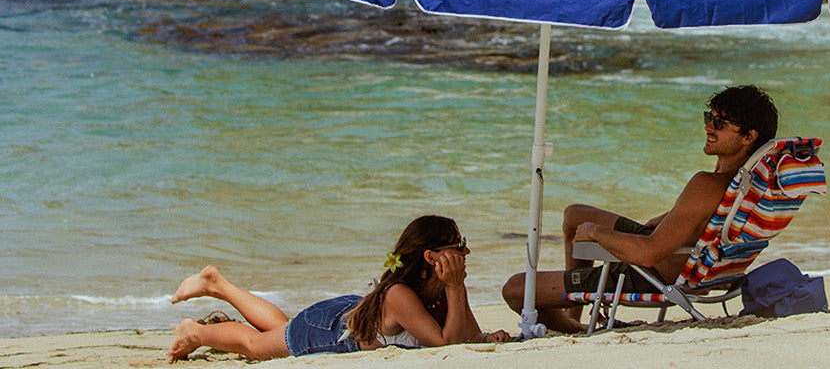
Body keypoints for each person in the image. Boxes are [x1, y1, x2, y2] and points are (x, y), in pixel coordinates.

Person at [501, 85, 778, 334]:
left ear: (748, 136)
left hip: (654, 274)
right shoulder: (749, 184)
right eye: (709, 118)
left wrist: (596, 233)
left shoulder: (706, 184)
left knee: (515, 289)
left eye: (719, 123)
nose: (708, 127)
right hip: (693, 263)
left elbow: (647, 254)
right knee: (575, 214)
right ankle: (574, 311)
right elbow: (693, 224)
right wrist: (666, 220)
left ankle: (574, 324)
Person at [167, 215, 509, 362]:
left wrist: (486, 338)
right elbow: (445, 345)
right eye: (458, 244)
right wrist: (456, 285)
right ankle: (195, 332)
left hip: (348, 314)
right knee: (256, 345)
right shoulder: (400, 295)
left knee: (280, 326)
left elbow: (467, 335)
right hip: (330, 330)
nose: (466, 251)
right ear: (431, 256)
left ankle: (218, 285)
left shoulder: (438, 293)